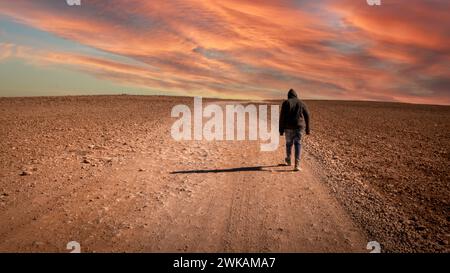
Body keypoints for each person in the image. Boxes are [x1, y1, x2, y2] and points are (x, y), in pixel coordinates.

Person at [279, 89, 310, 171]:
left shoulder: (286, 103)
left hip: (288, 127)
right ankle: (297, 164)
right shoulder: (301, 103)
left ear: (288, 95)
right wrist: (307, 129)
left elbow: (282, 117)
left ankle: (288, 160)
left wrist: (281, 130)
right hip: (299, 127)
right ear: (296, 95)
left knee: (289, 143)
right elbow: (307, 115)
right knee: (298, 144)